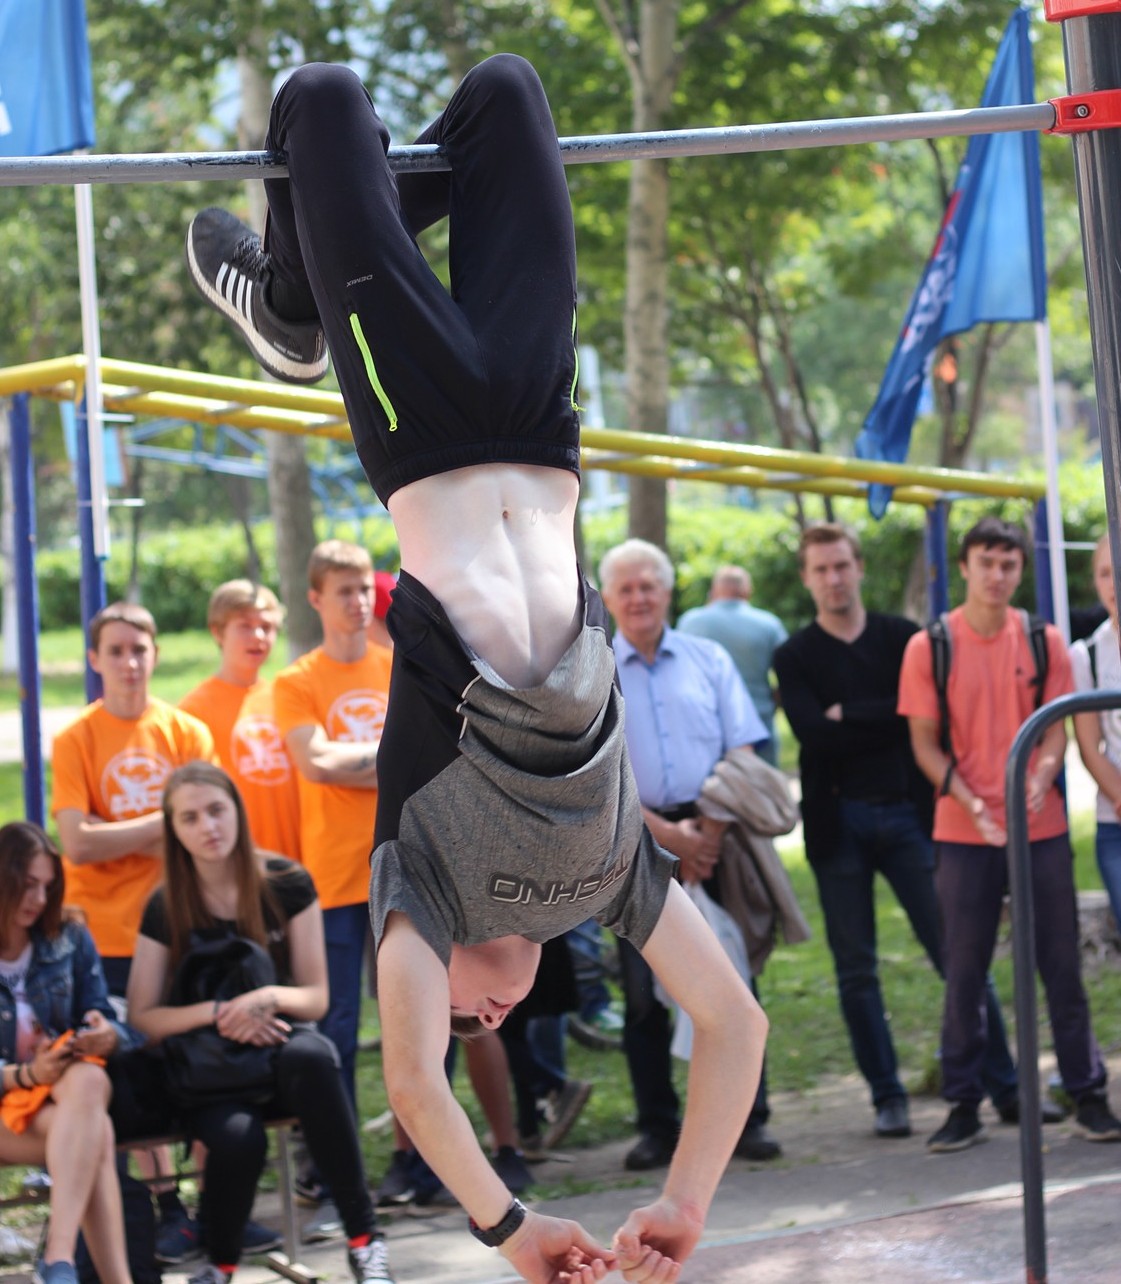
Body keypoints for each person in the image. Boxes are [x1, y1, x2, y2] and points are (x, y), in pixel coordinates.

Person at [187, 54, 765, 1281]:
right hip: (541, 423)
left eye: (459, 1015)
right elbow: (734, 1024)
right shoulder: (614, 875)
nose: (478, 1013)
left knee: (324, 100)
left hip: (428, 430)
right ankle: (341, 254)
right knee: (506, 97)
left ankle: (299, 302)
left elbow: (411, 1085)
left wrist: (506, 1231)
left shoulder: (421, 891)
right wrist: (685, 1206)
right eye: (477, 1021)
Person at [773, 522, 1025, 1140]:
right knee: (857, 968)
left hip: (911, 815)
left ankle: (1005, 1086)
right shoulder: (794, 655)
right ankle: (888, 1096)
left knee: (957, 953)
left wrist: (855, 715)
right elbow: (814, 732)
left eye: (841, 565)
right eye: (821, 569)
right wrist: (883, 716)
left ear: (859, 567)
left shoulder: (904, 640)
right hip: (839, 825)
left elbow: (922, 724)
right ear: (808, 579)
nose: (833, 578)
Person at [899, 515, 1121, 1151]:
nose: (997, 576)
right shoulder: (931, 645)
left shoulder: (1044, 640)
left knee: (1060, 966)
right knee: (964, 971)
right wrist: (968, 799)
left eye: (1009, 565)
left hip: (1041, 827)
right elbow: (923, 743)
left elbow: (1056, 731)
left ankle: (1088, 1094)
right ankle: (963, 1103)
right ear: (965, 567)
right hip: (962, 831)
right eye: (986, 563)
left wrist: (1044, 769)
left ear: (1021, 570)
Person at [126, 762, 391, 1284]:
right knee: (238, 1136)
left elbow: (315, 1000)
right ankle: (220, 1265)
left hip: (279, 1055)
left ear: (238, 812)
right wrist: (221, 1014)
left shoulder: (286, 881)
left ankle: (365, 1241)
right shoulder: (165, 904)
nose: (208, 827)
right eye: (190, 817)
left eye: (217, 810)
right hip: (213, 1070)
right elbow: (143, 1017)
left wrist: (265, 998)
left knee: (314, 1056)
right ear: (174, 829)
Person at [599, 538, 780, 1170]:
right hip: (632, 840)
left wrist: (706, 834)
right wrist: (667, 838)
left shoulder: (709, 659)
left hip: (719, 830)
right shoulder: (595, 671)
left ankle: (749, 1120)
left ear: (668, 591)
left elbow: (744, 750)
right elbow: (600, 773)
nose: (639, 597)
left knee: (733, 977)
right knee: (644, 994)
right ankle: (658, 1126)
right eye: (626, 588)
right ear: (609, 599)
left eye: (649, 584)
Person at [50, 600, 217, 1260]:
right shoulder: (77, 740)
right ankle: (164, 1206)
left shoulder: (187, 734)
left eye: (139, 649)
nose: (128, 661)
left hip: (179, 931)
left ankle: (210, 1205)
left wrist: (135, 832)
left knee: (201, 1064)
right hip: (107, 939)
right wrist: (165, 823)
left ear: (155, 654)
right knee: (133, 1073)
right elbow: (76, 844)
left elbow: (206, 836)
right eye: (115, 650)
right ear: (94, 660)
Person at [272, 540, 392, 1107]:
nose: (360, 601)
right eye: (345, 591)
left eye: (365, 587)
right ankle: (338, 1170)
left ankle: (416, 1163)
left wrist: (356, 762)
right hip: (336, 877)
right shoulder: (296, 682)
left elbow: (439, 759)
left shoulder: (400, 668)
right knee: (337, 1023)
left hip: (404, 867)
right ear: (315, 599)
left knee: (411, 1020)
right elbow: (315, 764)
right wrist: (393, 761)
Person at [0, 820, 133, 1284]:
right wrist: (26, 1074)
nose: (38, 898)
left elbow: (101, 1012)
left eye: (47, 886)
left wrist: (104, 1032)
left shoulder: (69, 937)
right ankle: (80, 1270)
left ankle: (58, 1259)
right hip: (11, 1102)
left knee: (90, 1078)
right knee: (96, 1134)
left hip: (55, 1102)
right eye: (27, 884)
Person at [179, 581, 301, 863]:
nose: (258, 636)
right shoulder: (193, 710)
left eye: (267, 627)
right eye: (245, 626)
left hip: (296, 858)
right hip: (237, 861)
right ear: (218, 631)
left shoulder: (287, 696)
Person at [677, 565, 788, 765]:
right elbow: (789, 679)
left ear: (713, 591)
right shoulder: (770, 624)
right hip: (759, 727)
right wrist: (772, 701)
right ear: (747, 591)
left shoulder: (689, 622)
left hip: (705, 729)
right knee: (763, 793)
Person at [1071, 533, 1121, 929]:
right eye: (1104, 573)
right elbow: (1089, 746)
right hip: (1115, 819)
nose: (1113, 581)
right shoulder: (1087, 652)